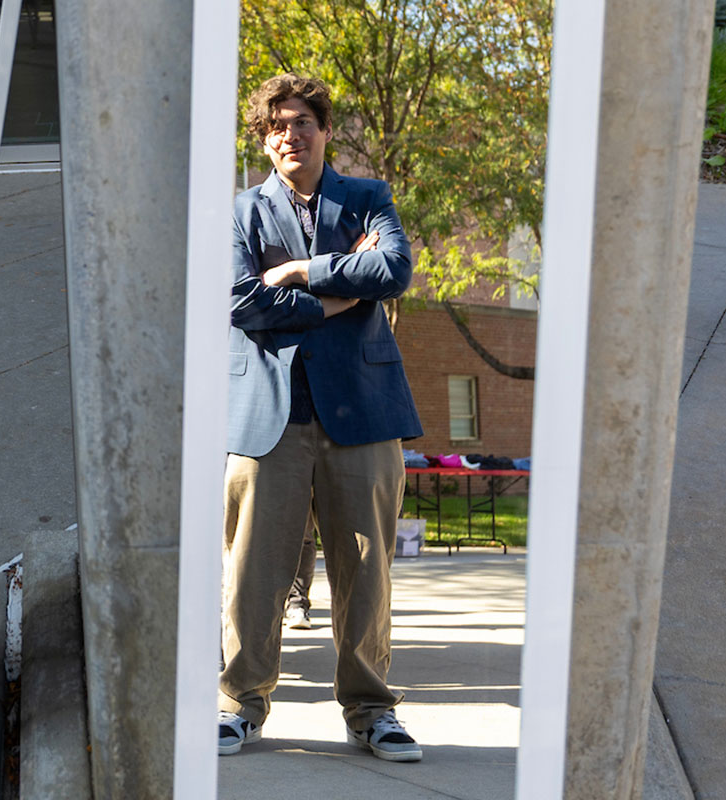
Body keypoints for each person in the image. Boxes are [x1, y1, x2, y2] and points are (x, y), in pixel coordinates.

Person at [219, 73, 424, 762]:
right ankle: (238, 704)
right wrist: (343, 293)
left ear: (325, 129)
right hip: (264, 418)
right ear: (265, 140)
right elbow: (243, 303)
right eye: (276, 125)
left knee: (366, 570)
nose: (290, 134)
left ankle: (371, 711)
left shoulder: (367, 198)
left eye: (302, 121)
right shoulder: (241, 212)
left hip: (361, 414)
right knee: (252, 571)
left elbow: (393, 270)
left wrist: (301, 272)